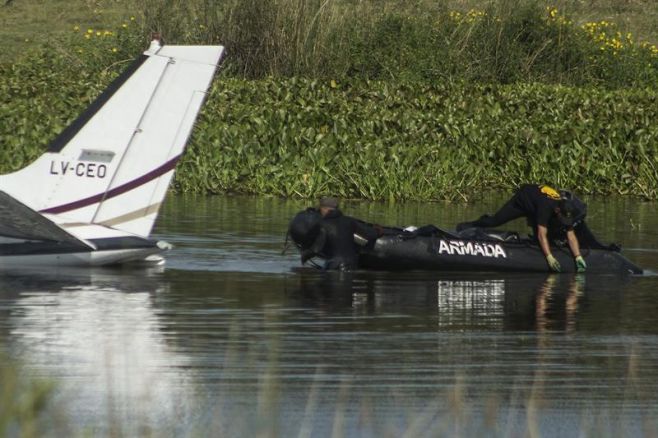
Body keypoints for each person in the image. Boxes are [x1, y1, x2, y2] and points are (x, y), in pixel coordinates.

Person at [456, 184, 588, 273]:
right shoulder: (546, 208)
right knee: (495, 221)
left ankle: (538, 247)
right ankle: (465, 226)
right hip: (523, 200)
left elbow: (570, 234)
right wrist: (549, 257)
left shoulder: (565, 209)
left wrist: (578, 257)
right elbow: (542, 234)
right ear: (557, 210)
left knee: (543, 236)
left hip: (536, 204)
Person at [300, 197, 380, 271]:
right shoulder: (350, 221)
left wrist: (304, 256)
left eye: (320, 210)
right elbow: (370, 236)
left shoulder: (322, 224)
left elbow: (316, 249)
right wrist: (377, 230)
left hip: (334, 266)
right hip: (351, 265)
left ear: (325, 210)